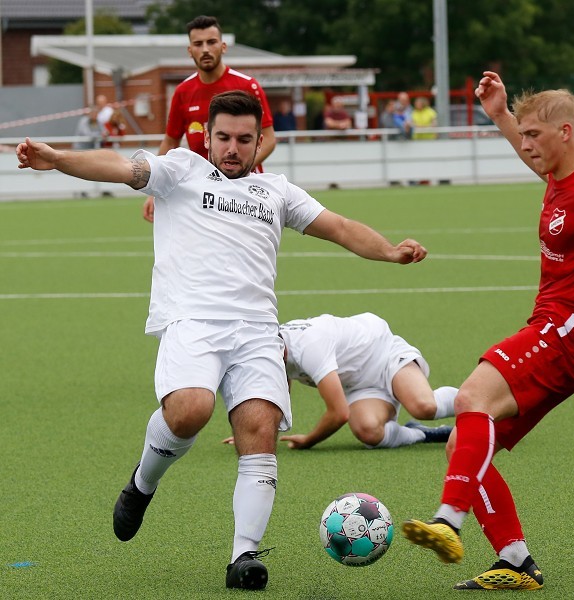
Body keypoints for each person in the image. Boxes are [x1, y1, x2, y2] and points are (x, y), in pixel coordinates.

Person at [16, 90, 427, 591]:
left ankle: (243, 556)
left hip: (257, 331)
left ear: (259, 143)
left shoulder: (276, 191)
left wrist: (389, 251)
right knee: (189, 409)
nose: (233, 148)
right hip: (193, 322)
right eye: (224, 138)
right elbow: (120, 166)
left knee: (260, 431)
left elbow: (338, 227)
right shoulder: (180, 170)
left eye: (244, 140)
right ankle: (141, 485)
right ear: (207, 138)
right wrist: (57, 159)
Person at [401, 71, 574, 591]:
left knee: (471, 397)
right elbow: (532, 150)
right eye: (524, 137)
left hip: (567, 335)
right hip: (554, 333)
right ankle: (516, 563)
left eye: (535, 136)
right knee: (469, 443)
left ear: (566, 133)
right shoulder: (560, 178)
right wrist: (500, 116)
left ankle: (447, 520)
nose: (526, 145)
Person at [223, 312, 457, 450]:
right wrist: (257, 429)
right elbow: (279, 389)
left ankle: (477, 398)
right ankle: (422, 434)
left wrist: (309, 441)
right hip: (358, 384)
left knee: (423, 406)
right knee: (368, 433)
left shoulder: (310, 346)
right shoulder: (274, 351)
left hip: (384, 354)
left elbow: (339, 413)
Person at [141, 15, 276, 223]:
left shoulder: (248, 86)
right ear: (190, 51)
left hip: (246, 189)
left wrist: (236, 171)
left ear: (223, 47)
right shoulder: (183, 92)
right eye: (198, 43)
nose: (205, 49)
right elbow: (170, 141)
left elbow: (268, 139)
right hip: (203, 192)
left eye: (211, 42)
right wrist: (154, 188)